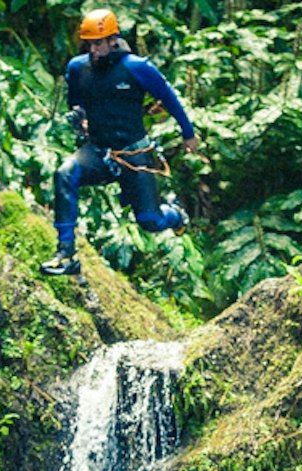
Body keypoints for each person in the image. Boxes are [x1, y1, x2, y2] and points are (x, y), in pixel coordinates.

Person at [40, 9, 199, 276]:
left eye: (98, 43)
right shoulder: (78, 68)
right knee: (65, 173)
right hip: (98, 150)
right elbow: (77, 103)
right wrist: (81, 118)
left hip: (134, 154)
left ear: (113, 39)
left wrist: (188, 133)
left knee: (149, 220)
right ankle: (65, 253)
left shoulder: (137, 68)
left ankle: (176, 214)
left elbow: (169, 97)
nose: (94, 50)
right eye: (89, 44)